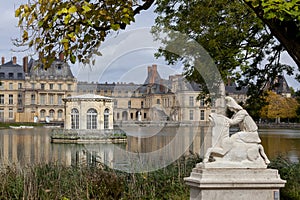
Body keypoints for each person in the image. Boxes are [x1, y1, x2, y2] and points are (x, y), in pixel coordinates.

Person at [224, 96, 270, 164]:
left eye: (229, 108)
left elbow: (233, 122)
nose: (229, 109)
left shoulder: (242, 113)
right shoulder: (236, 114)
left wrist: (221, 118)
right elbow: (230, 122)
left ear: (232, 106)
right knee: (234, 140)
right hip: (246, 133)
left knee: (234, 137)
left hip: (251, 134)